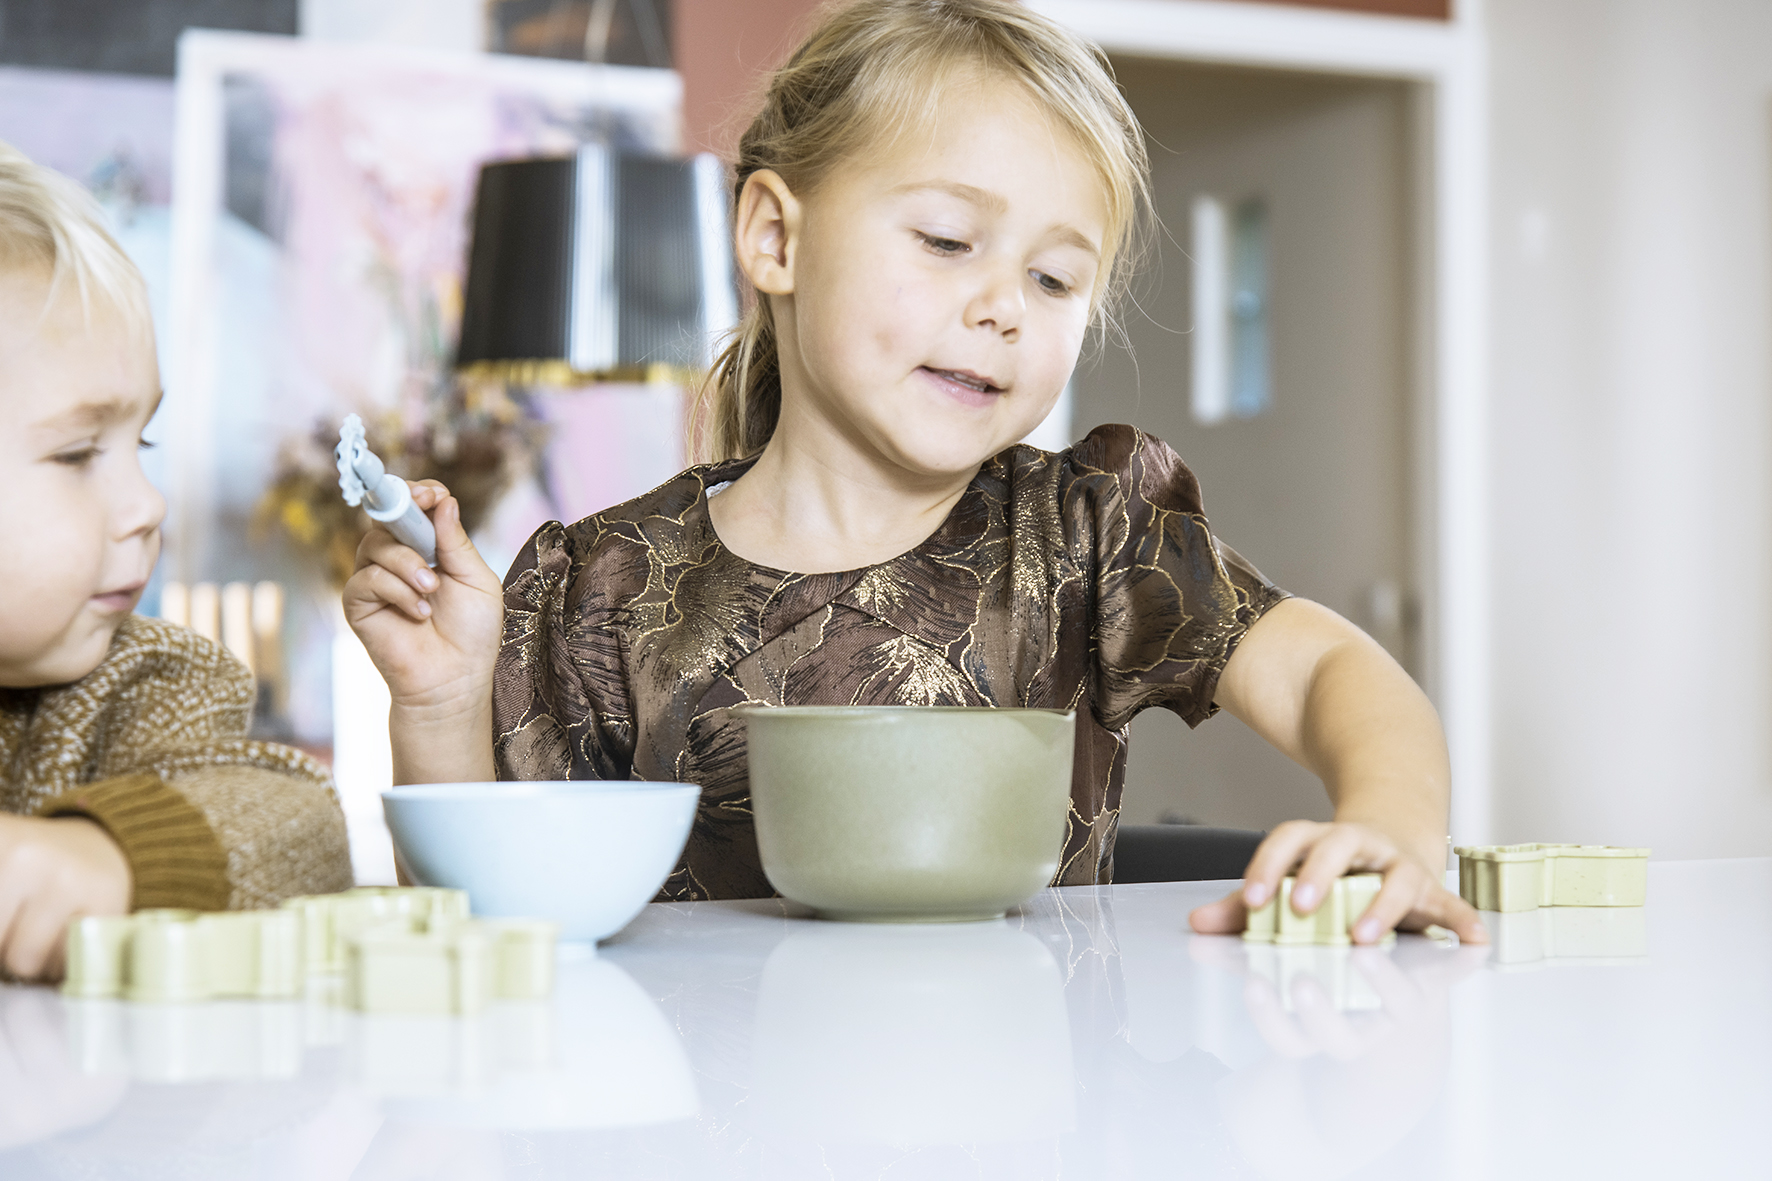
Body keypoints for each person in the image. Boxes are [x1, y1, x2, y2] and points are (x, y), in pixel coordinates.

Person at [347, 0, 1485, 945]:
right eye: (947, 240)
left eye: (1051, 280)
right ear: (774, 239)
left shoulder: (1089, 536)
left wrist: (1389, 821)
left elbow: (1330, 665)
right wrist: (441, 700)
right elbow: (483, 929)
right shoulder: (595, 584)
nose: (999, 305)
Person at [0, 143, 353, 981]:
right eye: (81, 452)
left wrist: (104, 858)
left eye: (141, 442)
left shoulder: (141, 685)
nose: (147, 503)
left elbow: (301, 832)